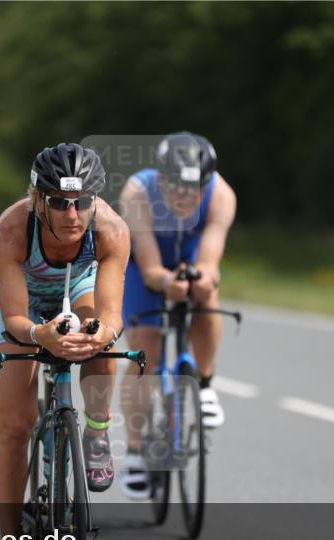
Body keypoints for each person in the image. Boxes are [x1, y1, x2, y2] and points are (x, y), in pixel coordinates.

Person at [0, 143, 129, 540]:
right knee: (14, 425)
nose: (73, 213)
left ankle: (97, 431)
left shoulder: (110, 230)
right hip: (21, 300)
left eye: (83, 201)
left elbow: (112, 313)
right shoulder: (9, 231)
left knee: (98, 335)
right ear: (37, 199)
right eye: (61, 202)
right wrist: (41, 336)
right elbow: (14, 321)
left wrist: (97, 334)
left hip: (79, 284)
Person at [118, 132, 237, 499]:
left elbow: (211, 256)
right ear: (161, 178)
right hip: (144, 266)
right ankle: (137, 452)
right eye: (176, 186)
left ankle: (205, 383)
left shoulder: (221, 195)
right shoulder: (137, 193)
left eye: (194, 187)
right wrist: (166, 281)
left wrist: (201, 277)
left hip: (190, 253)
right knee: (145, 352)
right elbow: (150, 262)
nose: (185, 195)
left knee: (207, 292)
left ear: (206, 183)